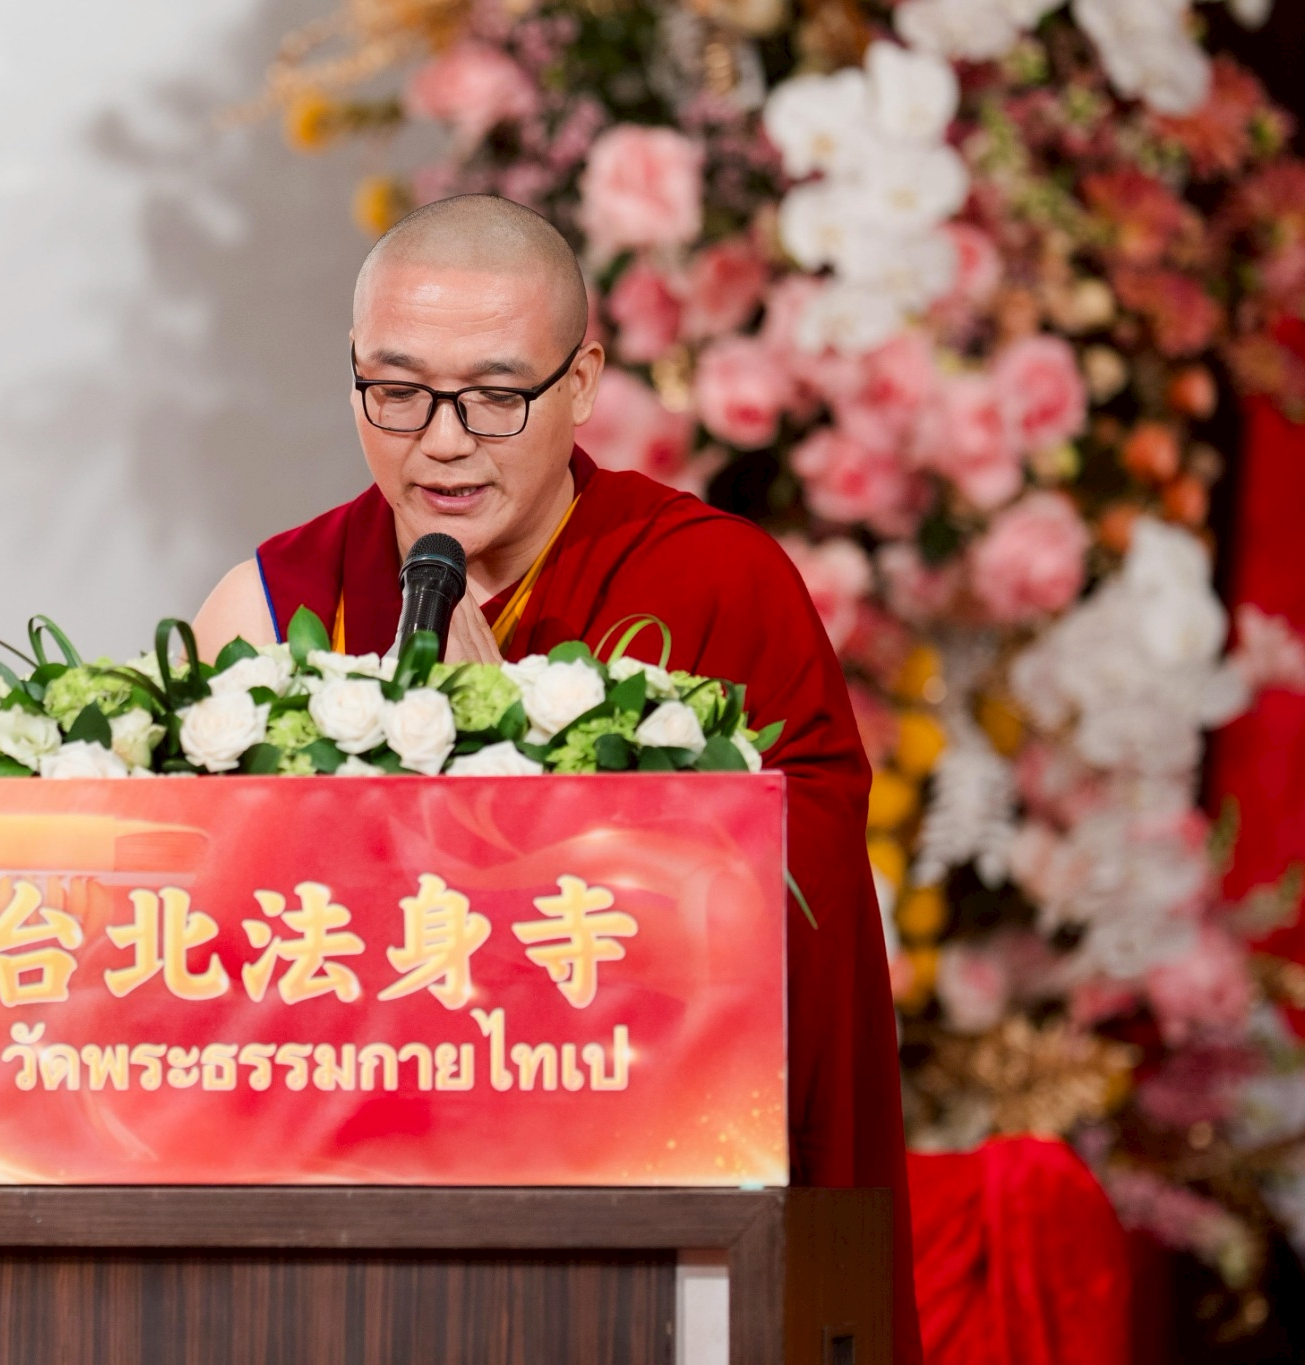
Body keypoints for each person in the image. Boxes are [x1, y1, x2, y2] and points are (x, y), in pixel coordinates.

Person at [193, 194, 921, 1362]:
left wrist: (515, 787)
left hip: (648, 1230)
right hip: (342, 1241)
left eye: (494, 397)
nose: (441, 442)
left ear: (580, 383)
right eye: (395, 392)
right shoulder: (271, 610)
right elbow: (197, 974)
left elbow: (796, 926)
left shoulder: (715, 591)